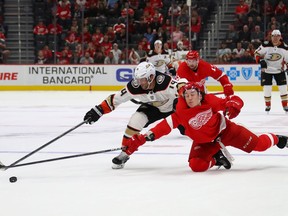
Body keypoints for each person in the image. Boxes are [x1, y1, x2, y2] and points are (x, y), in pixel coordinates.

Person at [123, 82, 288, 172]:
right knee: (196, 166)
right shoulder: (181, 109)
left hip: (226, 132)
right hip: (204, 142)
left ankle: (278, 139)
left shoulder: (210, 101)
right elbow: (165, 126)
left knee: (259, 145)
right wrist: (147, 136)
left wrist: (234, 105)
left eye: (192, 94)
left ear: (200, 94)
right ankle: (217, 158)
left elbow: (234, 99)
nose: (189, 98)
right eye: (186, 95)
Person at [83, 62, 180, 169]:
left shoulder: (165, 81)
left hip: (174, 108)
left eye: (142, 79)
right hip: (153, 107)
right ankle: (125, 153)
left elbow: (183, 87)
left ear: (151, 77)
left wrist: (180, 101)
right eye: (138, 78)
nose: (139, 82)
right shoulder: (135, 86)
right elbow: (116, 99)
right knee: (135, 121)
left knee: (189, 129)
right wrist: (99, 110)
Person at [254, 29, 288, 112]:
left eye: (277, 36)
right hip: (266, 71)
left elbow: (287, 60)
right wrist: (260, 61)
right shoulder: (265, 45)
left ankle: (285, 106)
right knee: (267, 89)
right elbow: (256, 53)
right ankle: (268, 105)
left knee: (283, 88)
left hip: (279, 71)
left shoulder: (285, 48)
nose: (275, 38)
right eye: (273, 36)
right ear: (271, 37)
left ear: (280, 37)